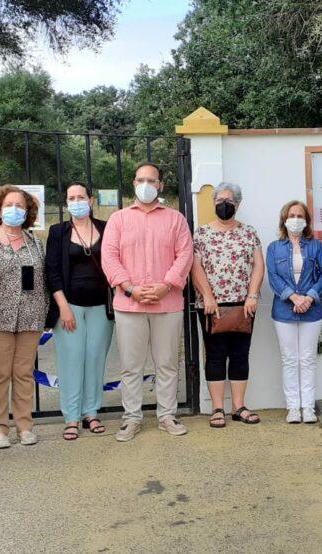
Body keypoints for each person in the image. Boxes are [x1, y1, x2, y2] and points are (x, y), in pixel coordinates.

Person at [102, 162, 194, 442]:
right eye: (140, 179)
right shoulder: (118, 219)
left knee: (166, 363)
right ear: (133, 184)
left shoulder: (175, 219)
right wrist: (130, 289)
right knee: (131, 366)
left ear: (160, 185)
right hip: (129, 305)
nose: (145, 185)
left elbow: (185, 254)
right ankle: (132, 418)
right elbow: (109, 257)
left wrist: (167, 285)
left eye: (151, 180)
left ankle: (167, 415)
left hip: (168, 304)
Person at [190, 183, 265, 428]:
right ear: (213, 203)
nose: (224, 204)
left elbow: (258, 265)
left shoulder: (249, 232)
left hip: (243, 305)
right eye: (220, 199)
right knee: (215, 355)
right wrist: (208, 297)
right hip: (211, 306)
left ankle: (239, 406)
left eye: (229, 200)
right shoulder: (201, 233)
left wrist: (252, 296)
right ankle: (218, 408)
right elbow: (195, 266)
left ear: (238, 204)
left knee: (240, 354)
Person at [0, 185, 49, 448]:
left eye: (20, 206)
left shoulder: (35, 242)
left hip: (30, 317)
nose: (14, 210)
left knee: (23, 373)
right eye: (9, 205)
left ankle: (24, 426)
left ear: (28, 211)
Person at [46, 182, 114, 440]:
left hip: (100, 306)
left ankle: (91, 412)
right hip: (69, 306)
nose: (77, 201)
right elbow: (51, 271)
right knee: (71, 361)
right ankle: (71, 417)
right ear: (66, 203)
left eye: (81, 197)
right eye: (71, 198)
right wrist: (63, 307)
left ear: (91, 200)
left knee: (95, 359)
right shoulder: (58, 232)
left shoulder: (106, 229)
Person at [265, 200, 322, 424]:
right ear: (284, 219)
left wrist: (309, 297)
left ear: (307, 220)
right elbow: (273, 277)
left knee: (308, 359)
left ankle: (308, 407)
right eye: (291, 215)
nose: (295, 219)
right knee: (290, 359)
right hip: (284, 310)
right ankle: (293, 407)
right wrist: (293, 297)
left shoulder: (316, 246)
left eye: (300, 216)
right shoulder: (274, 248)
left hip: (312, 311)